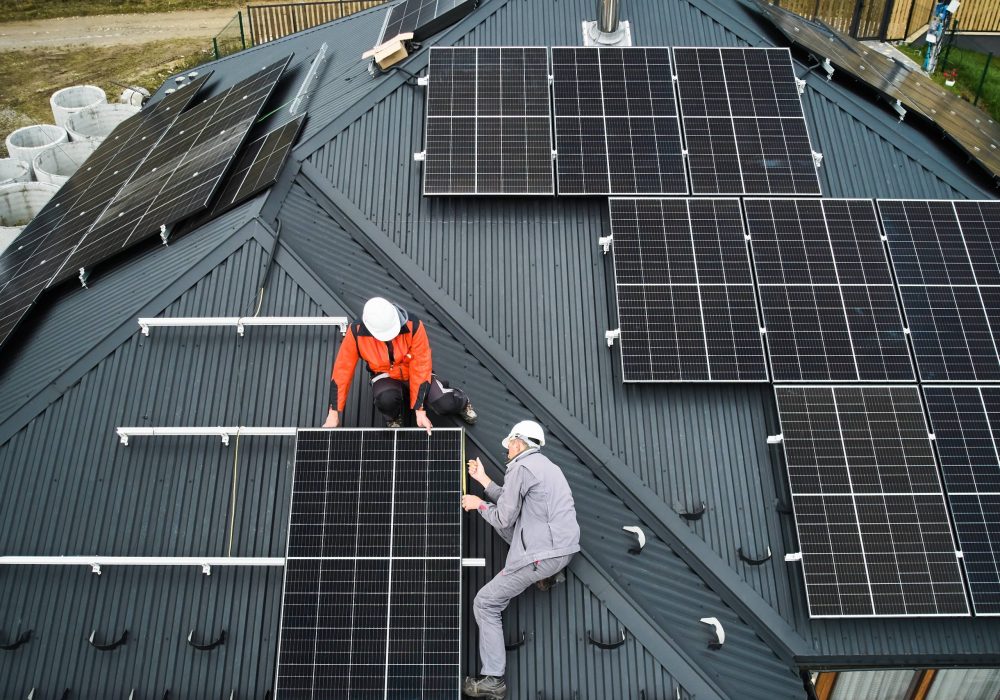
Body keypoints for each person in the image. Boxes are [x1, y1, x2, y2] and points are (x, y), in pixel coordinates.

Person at [460, 420, 581, 699]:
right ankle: (550, 575)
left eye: (509, 445)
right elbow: (509, 508)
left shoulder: (520, 467)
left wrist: (477, 504)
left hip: (541, 554)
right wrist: (484, 481)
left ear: (517, 442)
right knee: (506, 526)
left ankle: (493, 678)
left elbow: (503, 515)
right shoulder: (547, 467)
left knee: (485, 602)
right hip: (563, 549)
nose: (508, 451)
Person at [323, 297, 477, 430]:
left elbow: (421, 365)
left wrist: (419, 409)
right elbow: (342, 370)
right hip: (384, 375)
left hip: (413, 372)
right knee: (386, 400)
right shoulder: (356, 332)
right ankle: (394, 417)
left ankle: (462, 402)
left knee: (444, 404)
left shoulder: (413, 325)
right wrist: (333, 412)